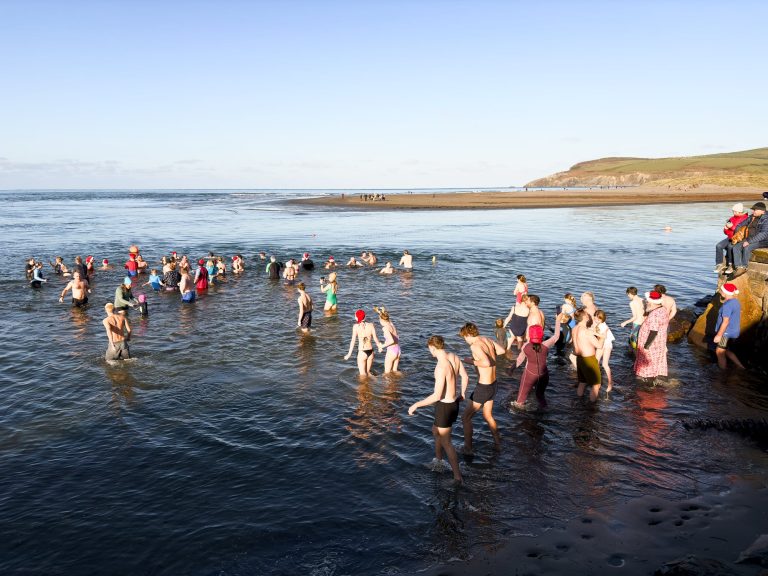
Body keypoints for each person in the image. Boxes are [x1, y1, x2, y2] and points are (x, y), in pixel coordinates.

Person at [408, 335, 468, 483]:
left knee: (447, 442)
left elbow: (436, 396)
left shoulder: (441, 367)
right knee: (435, 431)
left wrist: (416, 404)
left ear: (432, 348)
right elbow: (465, 376)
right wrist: (462, 394)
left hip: (445, 406)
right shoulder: (453, 357)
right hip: (453, 403)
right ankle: (439, 461)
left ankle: (457, 477)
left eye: (430, 350)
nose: (430, 352)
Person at [459, 322, 505, 453]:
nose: (465, 340)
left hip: (484, 387)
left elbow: (486, 362)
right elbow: (501, 350)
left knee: (465, 418)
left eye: (464, 337)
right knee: (488, 415)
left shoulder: (475, 346)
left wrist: (470, 361)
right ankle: (498, 443)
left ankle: (468, 448)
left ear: (468, 335)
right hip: (493, 385)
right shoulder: (487, 339)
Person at [511, 313, 564, 409]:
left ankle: (516, 417)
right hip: (544, 374)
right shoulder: (546, 345)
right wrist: (558, 320)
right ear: (541, 335)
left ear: (530, 335)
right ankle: (543, 412)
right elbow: (556, 336)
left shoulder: (526, 346)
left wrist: (512, 368)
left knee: (520, 400)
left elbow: (519, 360)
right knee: (540, 396)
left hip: (530, 374)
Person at [634, 291, 670, 380]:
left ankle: (646, 381)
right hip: (659, 342)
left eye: (647, 301)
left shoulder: (655, 314)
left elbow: (653, 332)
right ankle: (654, 379)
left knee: (647, 362)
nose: (646, 302)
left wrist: (646, 347)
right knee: (655, 362)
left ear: (652, 302)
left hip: (652, 345)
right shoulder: (663, 309)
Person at [730, 202, 768, 279]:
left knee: (747, 247)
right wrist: (738, 234)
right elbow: (740, 225)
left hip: (763, 241)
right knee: (735, 247)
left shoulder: (766, 220)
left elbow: (763, 234)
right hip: (749, 238)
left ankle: (744, 267)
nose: (753, 211)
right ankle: (738, 267)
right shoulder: (751, 217)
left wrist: (749, 242)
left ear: (763, 211)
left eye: (755, 210)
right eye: (753, 210)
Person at [572, 308, 603, 402]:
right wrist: (603, 337)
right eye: (587, 314)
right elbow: (599, 345)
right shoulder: (587, 331)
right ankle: (592, 409)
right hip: (589, 359)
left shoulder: (575, 328)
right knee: (596, 384)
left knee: (582, 382)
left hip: (579, 359)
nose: (588, 315)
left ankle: (579, 402)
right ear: (585, 317)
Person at [712, 282, 745, 369]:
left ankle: (721, 374)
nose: (720, 292)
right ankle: (741, 367)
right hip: (733, 331)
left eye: (722, 290)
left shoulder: (727, 305)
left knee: (719, 352)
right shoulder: (735, 302)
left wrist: (719, 335)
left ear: (726, 292)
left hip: (726, 332)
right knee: (726, 350)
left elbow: (725, 321)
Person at [343, 309, 382, 376]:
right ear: (365, 317)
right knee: (368, 373)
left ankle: (365, 386)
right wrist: (379, 346)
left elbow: (353, 341)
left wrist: (349, 354)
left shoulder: (355, 327)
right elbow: (375, 338)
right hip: (371, 352)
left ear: (356, 318)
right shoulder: (371, 325)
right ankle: (376, 382)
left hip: (362, 352)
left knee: (362, 376)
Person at [714, 203, 749, 275]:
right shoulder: (731, 218)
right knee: (718, 246)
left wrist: (731, 227)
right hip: (729, 237)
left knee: (730, 247)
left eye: (735, 211)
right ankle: (719, 264)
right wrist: (726, 228)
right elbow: (726, 232)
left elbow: (739, 231)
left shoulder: (745, 219)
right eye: (733, 211)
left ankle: (730, 265)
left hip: (738, 239)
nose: (734, 213)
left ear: (740, 211)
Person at [374, 306, 401, 373]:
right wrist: (380, 311)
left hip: (391, 351)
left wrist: (381, 346)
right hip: (398, 350)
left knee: (387, 374)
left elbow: (391, 341)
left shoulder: (385, 328)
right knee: (395, 371)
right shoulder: (391, 324)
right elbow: (386, 317)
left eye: (379, 319)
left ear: (381, 319)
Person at [594, 310, 615, 392]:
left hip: (607, 345)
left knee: (605, 364)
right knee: (596, 362)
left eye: (598, 319)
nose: (596, 320)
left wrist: (593, 332)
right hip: (601, 344)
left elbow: (604, 336)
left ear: (602, 319)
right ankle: (597, 380)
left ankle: (610, 383)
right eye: (595, 318)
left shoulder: (604, 326)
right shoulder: (598, 324)